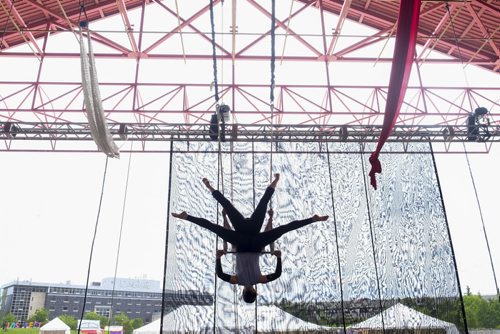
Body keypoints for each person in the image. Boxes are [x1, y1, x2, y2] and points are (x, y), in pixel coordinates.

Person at [172, 173, 329, 303]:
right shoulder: (237, 281)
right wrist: (218, 258)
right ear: (243, 293)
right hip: (240, 241)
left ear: (255, 292)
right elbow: (220, 274)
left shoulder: (259, 280)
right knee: (219, 218)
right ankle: (194, 206)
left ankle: (309, 216)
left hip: (255, 242)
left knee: (278, 222)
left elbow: (277, 274)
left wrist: (279, 258)